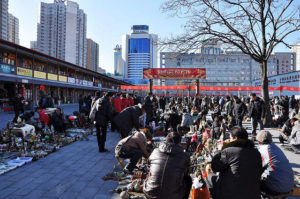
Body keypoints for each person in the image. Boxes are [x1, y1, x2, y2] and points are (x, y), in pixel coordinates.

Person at [209, 126, 262, 199]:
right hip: (254, 194)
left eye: (230, 137)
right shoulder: (256, 152)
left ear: (235, 138)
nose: (229, 140)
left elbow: (215, 167)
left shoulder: (229, 151)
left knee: (209, 177)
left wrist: (219, 150)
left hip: (231, 195)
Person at [143, 132, 191, 199]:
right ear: (179, 143)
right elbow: (186, 173)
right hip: (173, 196)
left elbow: (148, 167)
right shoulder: (185, 155)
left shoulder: (155, 151)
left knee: (149, 175)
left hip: (150, 193)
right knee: (188, 180)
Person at [256, 130, 294, 195]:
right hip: (290, 185)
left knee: (252, 180)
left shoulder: (262, 150)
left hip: (276, 188)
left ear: (259, 142)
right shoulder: (276, 148)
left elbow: (257, 169)